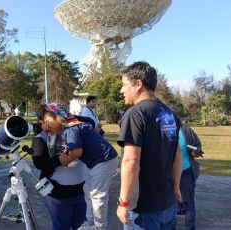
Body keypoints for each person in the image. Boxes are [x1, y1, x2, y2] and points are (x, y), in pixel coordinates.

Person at [116, 61, 182, 229]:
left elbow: (131, 160)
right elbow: (177, 155)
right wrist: (176, 187)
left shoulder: (135, 114)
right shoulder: (169, 113)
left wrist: (123, 202)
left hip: (144, 209)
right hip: (169, 204)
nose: (121, 90)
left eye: (124, 85)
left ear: (138, 84)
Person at [42, 102, 119, 230]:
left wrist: (66, 158)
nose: (46, 125)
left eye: (48, 121)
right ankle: (89, 223)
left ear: (59, 118)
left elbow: (77, 152)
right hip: (98, 162)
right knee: (88, 190)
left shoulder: (71, 129)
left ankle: (99, 226)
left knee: (97, 194)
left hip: (103, 161)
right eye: (44, 123)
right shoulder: (73, 127)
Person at [31, 108, 88, 230]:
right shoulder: (41, 137)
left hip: (81, 191)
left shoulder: (74, 129)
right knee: (62, 226)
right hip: (58, 194)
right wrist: (59, 160)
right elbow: (38, 162)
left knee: (82, 226)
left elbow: (91, 123)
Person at [177, 120, 203, 230]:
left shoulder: (186, 130)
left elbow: (198, 146)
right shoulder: (160, 130)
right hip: (167, 174)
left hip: (186, 171)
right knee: (168, 203)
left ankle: (189, 227)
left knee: (189, 203)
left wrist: (195, 152)